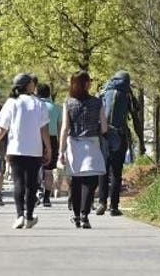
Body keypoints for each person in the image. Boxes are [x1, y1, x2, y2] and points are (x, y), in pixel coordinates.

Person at [0, 73, 50, 230]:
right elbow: (44, 129)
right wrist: (48, 147)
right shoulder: (39, 103)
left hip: (15, 149)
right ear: (27, 85)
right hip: (34, 150)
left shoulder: (11, 102)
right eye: (31, 82)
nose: (34, 84)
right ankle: (29, 216)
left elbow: (3, 127)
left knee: (18, 183)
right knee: (31, 184)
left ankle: (19, 216)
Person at [59, 71, 107, 228]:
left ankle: (76, 215)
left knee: (76, 181)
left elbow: (65, 128)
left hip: (74, 144)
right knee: (91, 181)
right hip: (92, 143)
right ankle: (85, 215)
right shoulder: (97, 102)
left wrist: (61, 151)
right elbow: (105, 127)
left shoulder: (68, 103)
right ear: (86, 84)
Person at [96, 70, 139, 216]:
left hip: (103, 135)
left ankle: (102, 202)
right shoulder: (128, 95)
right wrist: (141, 140)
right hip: (120, 136)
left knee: (103, 169)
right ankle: (113, 206)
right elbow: (136, 119)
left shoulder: (103, 91)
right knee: (116, 171)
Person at [38, 83, 61, 207]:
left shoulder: (36, 106)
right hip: (52, 139)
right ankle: (46, 197)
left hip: (37, 138)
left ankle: (36, 192)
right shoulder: (56, 108)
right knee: (49, 170)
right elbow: (60, 128)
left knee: (35, 168)